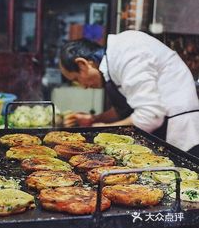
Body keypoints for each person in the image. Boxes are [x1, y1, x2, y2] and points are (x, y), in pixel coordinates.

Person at [59, 30, 199, 155]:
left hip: (179, 135)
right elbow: (126, 109)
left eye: (76, 79)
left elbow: (150, 116)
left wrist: (106, 129)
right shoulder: (115, 59)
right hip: (165, 130)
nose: (83, 87)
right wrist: (95, 119)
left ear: (82, 65)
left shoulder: (127, 53)